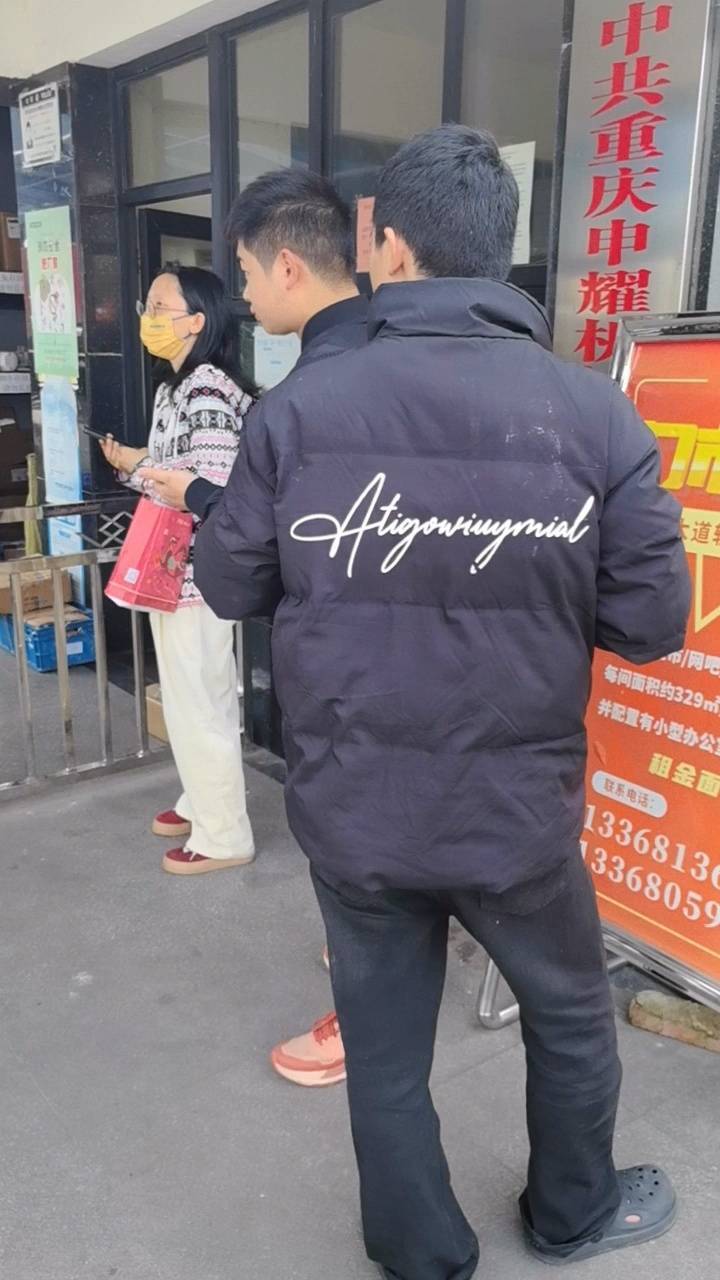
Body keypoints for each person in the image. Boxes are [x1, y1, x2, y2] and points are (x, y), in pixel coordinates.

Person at [194, 125, 690, 1277]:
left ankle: (420, 1252)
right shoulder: (595, 418)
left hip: (357, 805)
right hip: (516, 813)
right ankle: (572, 1211)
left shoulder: (298, 412)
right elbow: (653, 620)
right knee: (570, 1013)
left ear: (390, 246)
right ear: (499, 248)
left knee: (383, 1048)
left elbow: (227, 582)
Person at [101, 266, 256, 876]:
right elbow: (177, 467)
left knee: (200, 705)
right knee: (192, 699)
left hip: (196, 574)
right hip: (176, 572)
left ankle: (224, 835)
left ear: (196, 320)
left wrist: (139, 471)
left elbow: (207, 486)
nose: (148, 317)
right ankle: (201, 802)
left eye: (159, 307)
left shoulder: (207, 389)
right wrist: (136, 463)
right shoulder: (178, 387)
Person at [142, 169, 367, 519]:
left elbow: (263, 531)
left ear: (287, 269)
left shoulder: (296, 401)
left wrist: (196, 494)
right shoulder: (397, 356)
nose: (245, 293)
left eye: (247, 272)